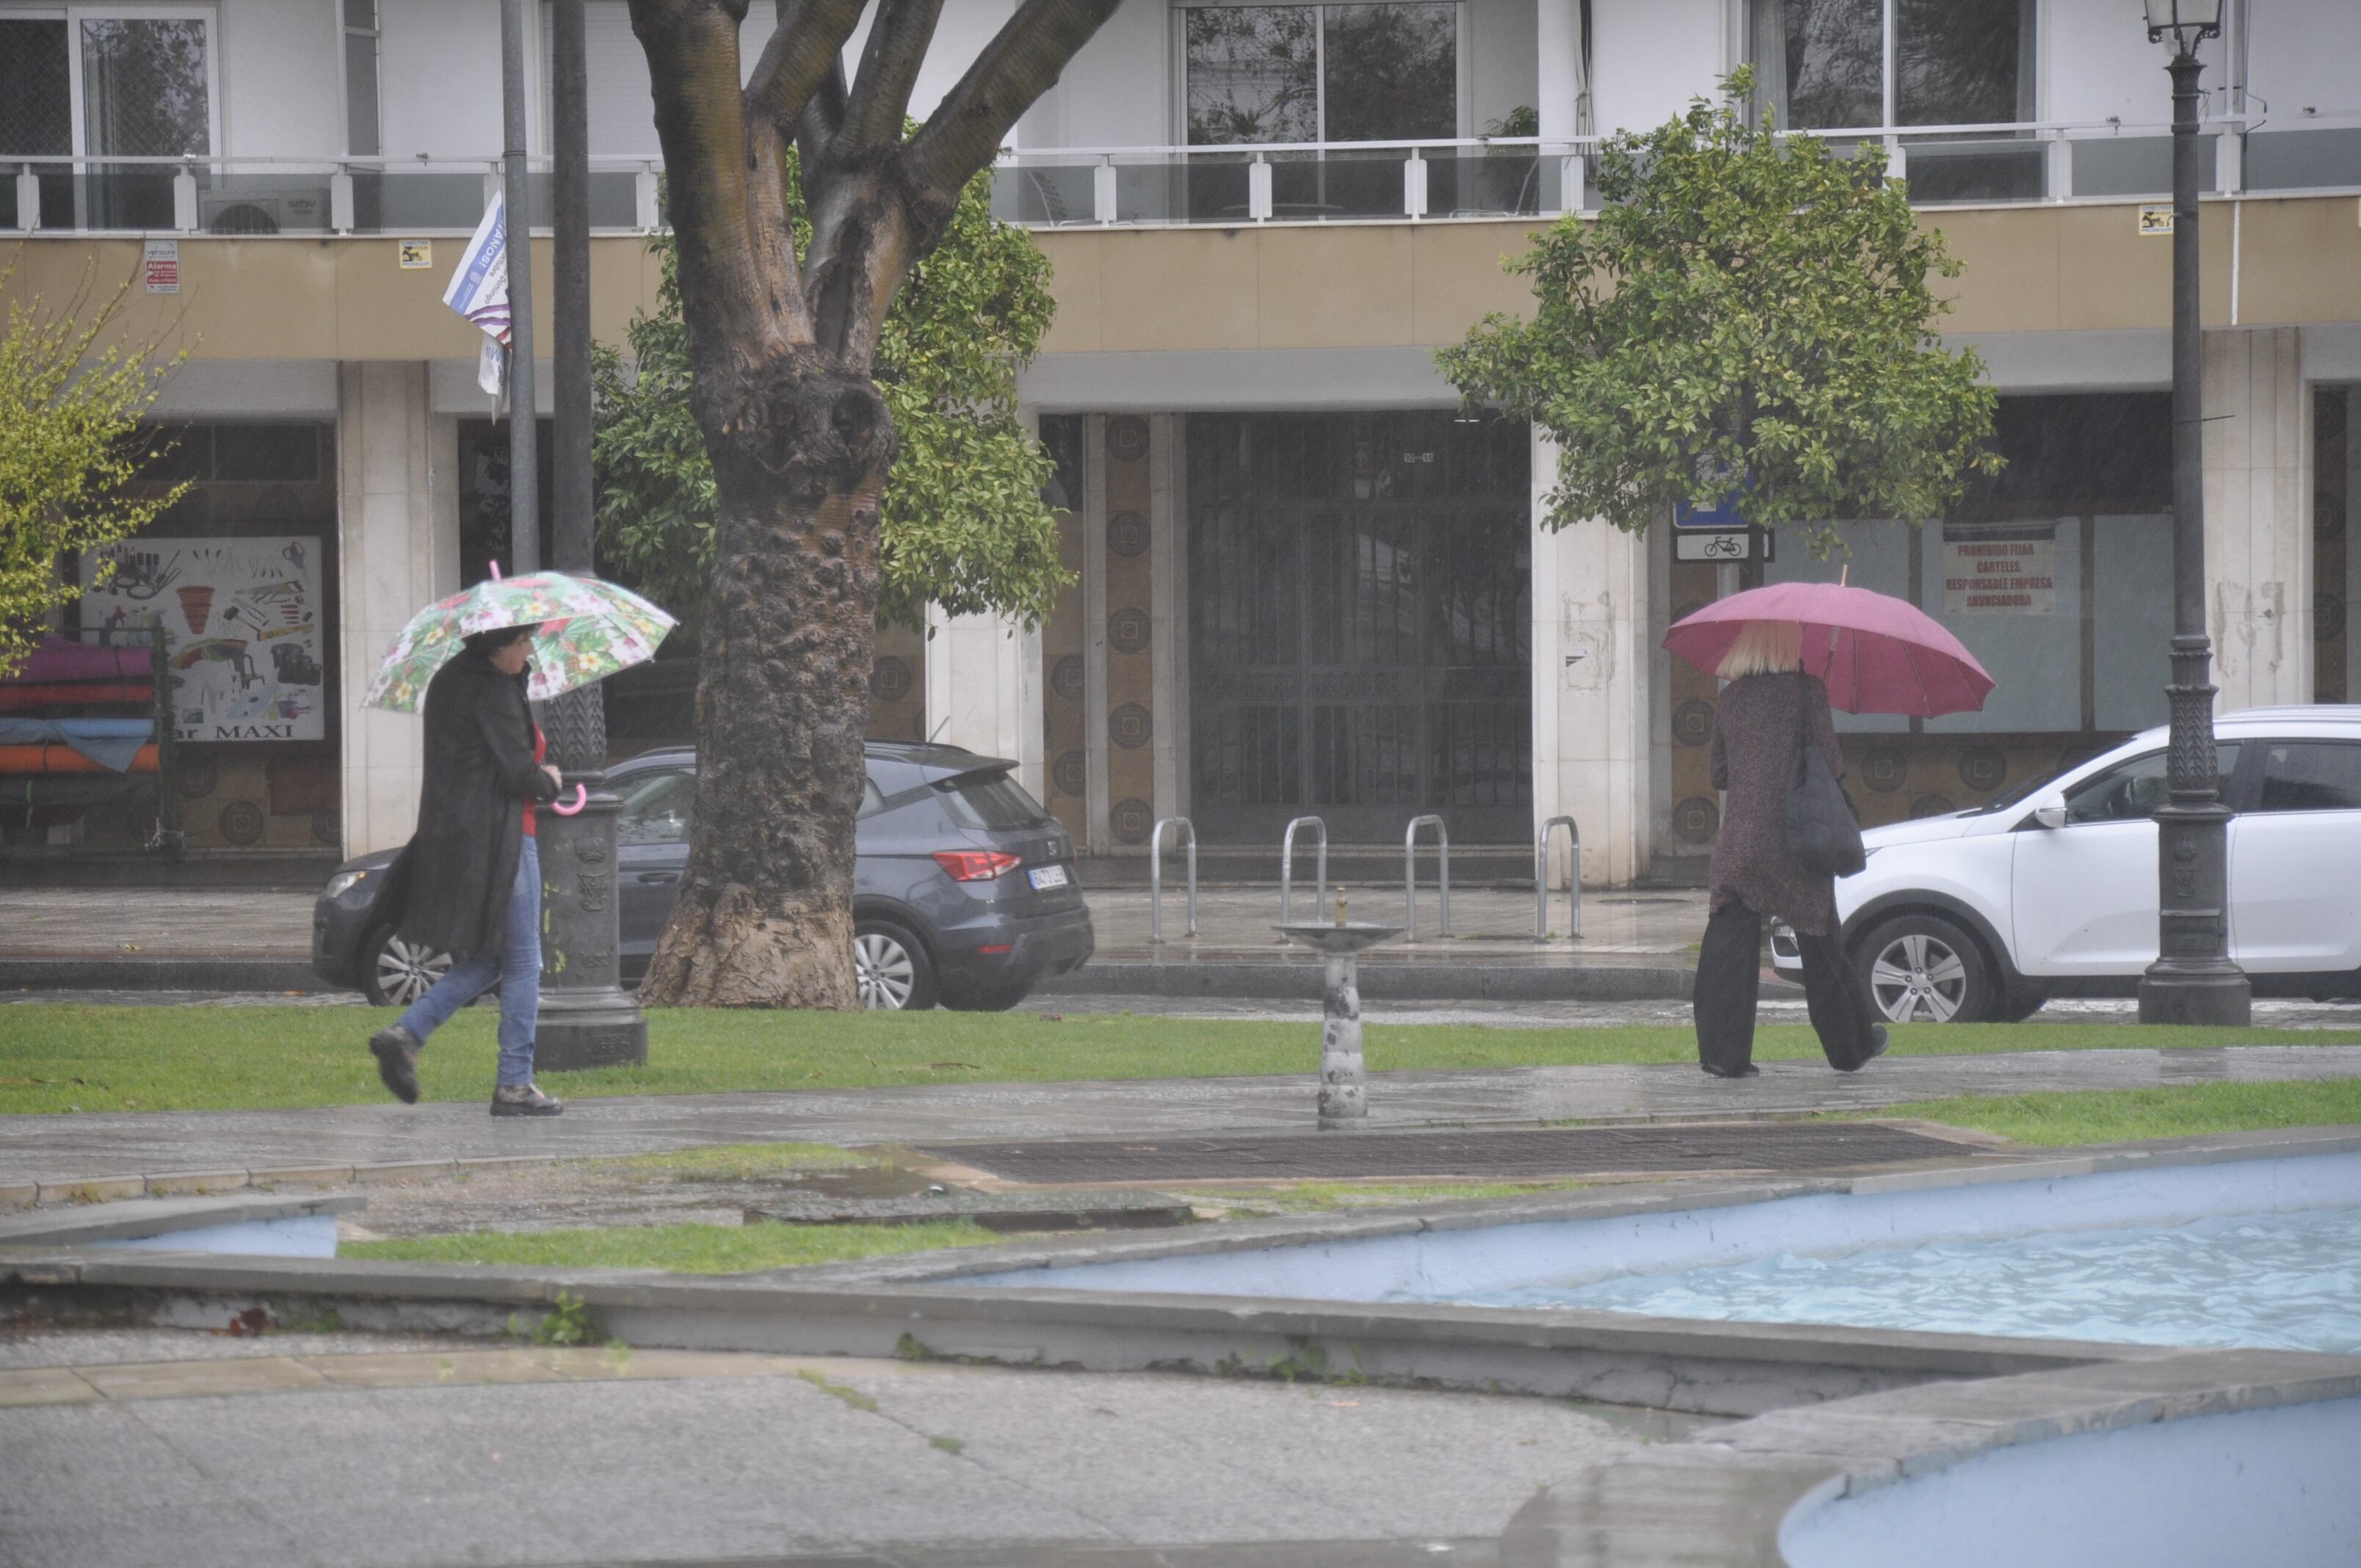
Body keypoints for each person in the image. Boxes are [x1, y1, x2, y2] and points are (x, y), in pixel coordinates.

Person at [368, 623, 566, 1115]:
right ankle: (515, 1084)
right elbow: (517, 771)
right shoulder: (493, 688)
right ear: (499, 648)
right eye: (524, 644)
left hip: (464, 836)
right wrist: (551, 781)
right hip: (502, 838)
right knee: (523, 961)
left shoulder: (454, 679)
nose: (529, 653)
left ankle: (406, 1034)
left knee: (494, 959)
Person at [1693, 620, 1887, 1078]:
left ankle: (1724, 1056)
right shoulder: (1807, 692)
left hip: (1739, 843)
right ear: (1786, 645)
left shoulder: (1731, 699)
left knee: (1727, 950)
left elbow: (1718, 774)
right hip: (1794, 841)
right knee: (1821, 944)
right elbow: (1831, 763)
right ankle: (1851, 1047)